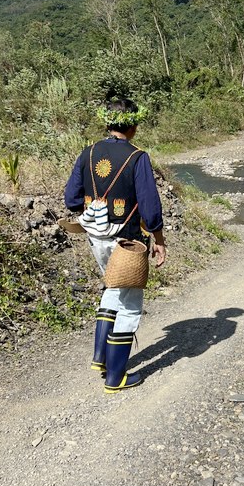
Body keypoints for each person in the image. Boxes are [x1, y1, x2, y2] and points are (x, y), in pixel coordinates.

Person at [64, 98, 166, 394]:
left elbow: (71, 199)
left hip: (96, 239)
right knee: (130, 304)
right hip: (128, 242)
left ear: (106, 122)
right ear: (133, 126)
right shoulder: (138, 157)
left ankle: (101, 358)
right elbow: (150, 207)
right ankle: (116, 376)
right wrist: (158, 239)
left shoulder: (88, 152)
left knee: (112, 289)